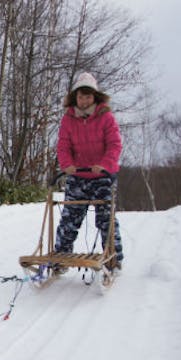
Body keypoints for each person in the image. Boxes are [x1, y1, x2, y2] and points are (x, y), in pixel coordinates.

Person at [54, 72, 124, 270]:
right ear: (75, 97)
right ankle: (60, 258)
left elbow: (114, 145)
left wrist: (104, 164)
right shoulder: (68, 119)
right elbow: (63, 147)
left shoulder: (106, 117)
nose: (83, 101)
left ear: (95, 97)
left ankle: (114, 259)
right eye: (80, 96)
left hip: (102, 176)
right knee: (69, 218)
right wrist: (67, 164)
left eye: (88, 96)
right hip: (78, 176)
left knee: (106, 219)